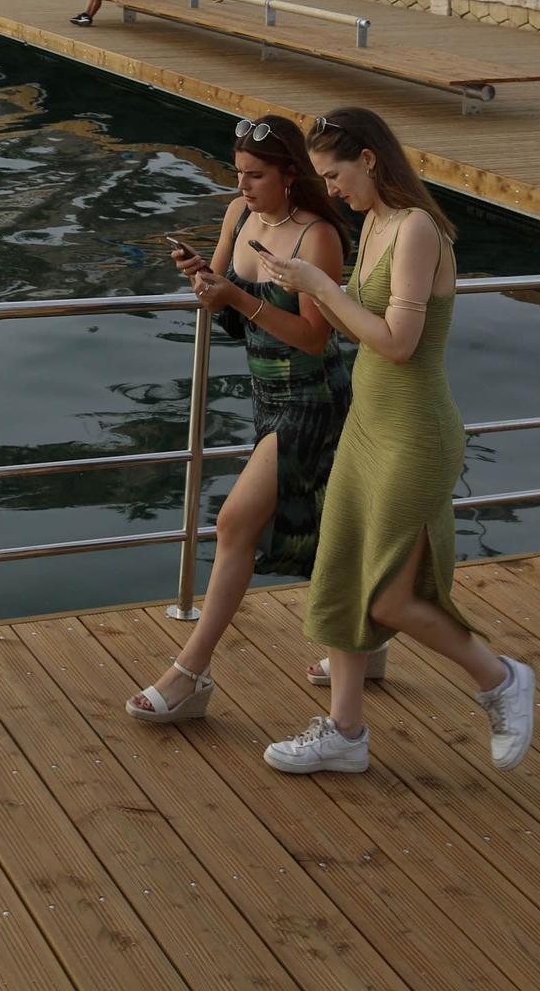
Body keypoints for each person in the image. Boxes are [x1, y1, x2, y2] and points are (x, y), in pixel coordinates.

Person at [258, 107, 535, 776]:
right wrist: (293, 287)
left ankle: (500, 679)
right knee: (342, 573)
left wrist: (320, 285)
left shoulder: (415, 229)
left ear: (370, 159)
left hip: (414, 433)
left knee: (387, 595)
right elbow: (357, 327)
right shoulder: (373, 222)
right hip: (366, 424)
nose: (333, 189)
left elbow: (397, 343)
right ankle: (344, 734)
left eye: (336, 174)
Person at [127, 115, 358, 722]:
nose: (243, 185)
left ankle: (189, 674)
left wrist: (239, 298)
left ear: (290, 174)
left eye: (255, 175)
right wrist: (206, 281)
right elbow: (231, 318)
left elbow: (313, 338)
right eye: (237, 173)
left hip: (314, 399)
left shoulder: (318, 239)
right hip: (265, 396)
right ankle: (369, 643)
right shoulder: (238, 216)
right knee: (331, 527)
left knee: (234, 524)